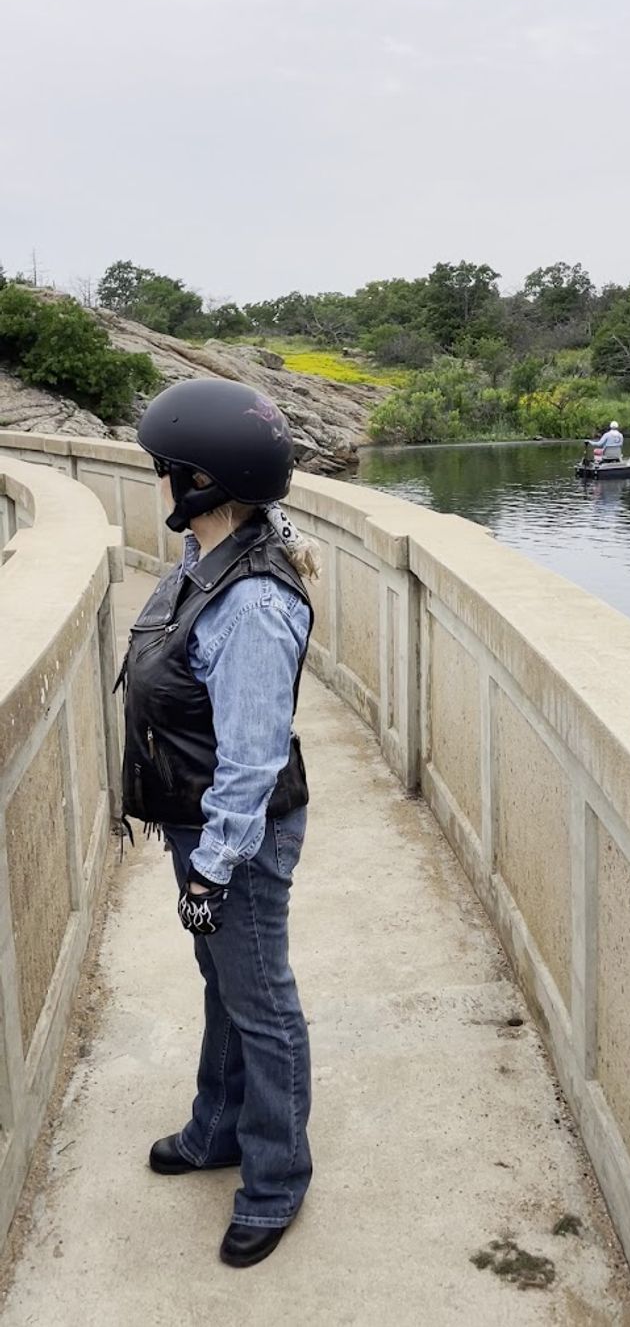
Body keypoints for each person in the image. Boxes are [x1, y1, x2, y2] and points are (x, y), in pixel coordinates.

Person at [117, 377, 320, 1270]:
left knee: (261, 1001)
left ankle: (275, 1181)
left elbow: (251, 756)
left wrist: (213, 869)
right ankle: (219, 1129)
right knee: (224, 983)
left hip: (235, 835)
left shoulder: (252, 605)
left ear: (199, 482)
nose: (156, 480)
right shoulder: (210, 556)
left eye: (165, 467)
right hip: (198, 822)